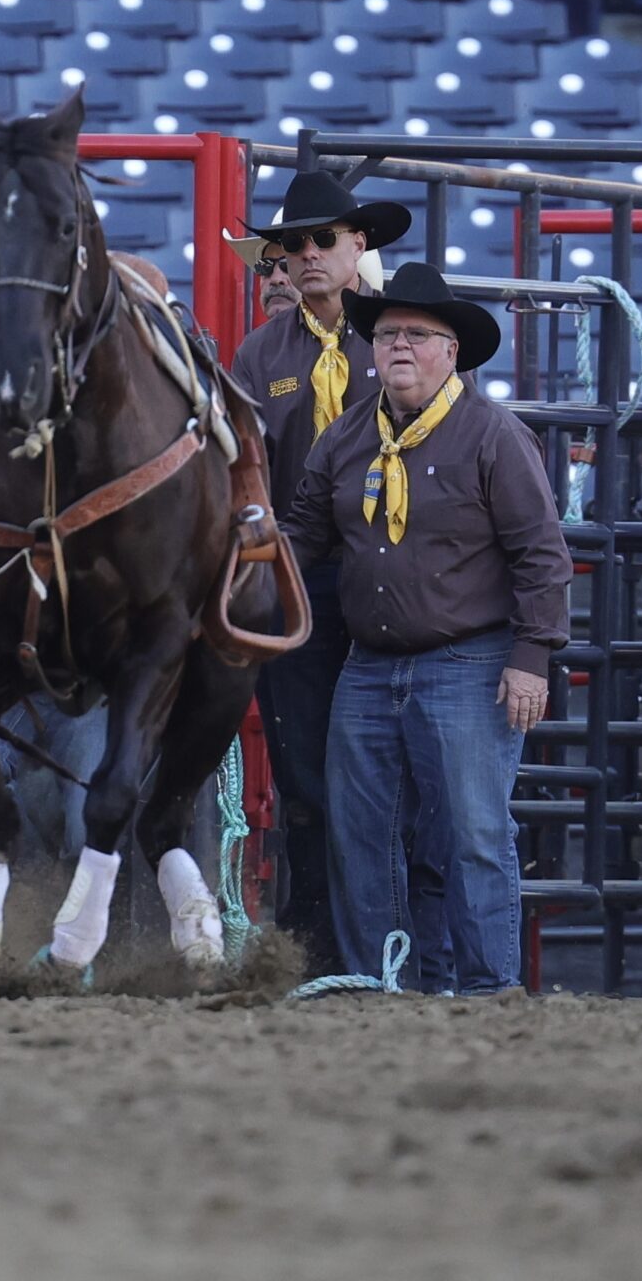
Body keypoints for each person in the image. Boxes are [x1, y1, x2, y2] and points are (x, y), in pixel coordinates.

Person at [283, 263, 571, 993]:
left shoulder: (493, 436)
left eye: (417, 334)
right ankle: (385, 983)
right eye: (385, 335)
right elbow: (303, 534)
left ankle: (487, 986)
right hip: (370, 662)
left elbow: (541, 551)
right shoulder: (350, 435)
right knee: (360, 834)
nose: (398, 347)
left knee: (475, 832)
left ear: (451, 352)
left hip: (470, 659)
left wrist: (530, 656)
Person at [229, 171, 409, 970]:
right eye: (292, 245)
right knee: (306, 781)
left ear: (357, 245)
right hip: (303, 585)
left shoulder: (399, 339)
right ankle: (319, 951)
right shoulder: (261, 351)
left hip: (397, 586)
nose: (306, 256)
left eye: (322, 240)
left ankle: (392, 947)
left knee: (393, 773)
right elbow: (249, 471)